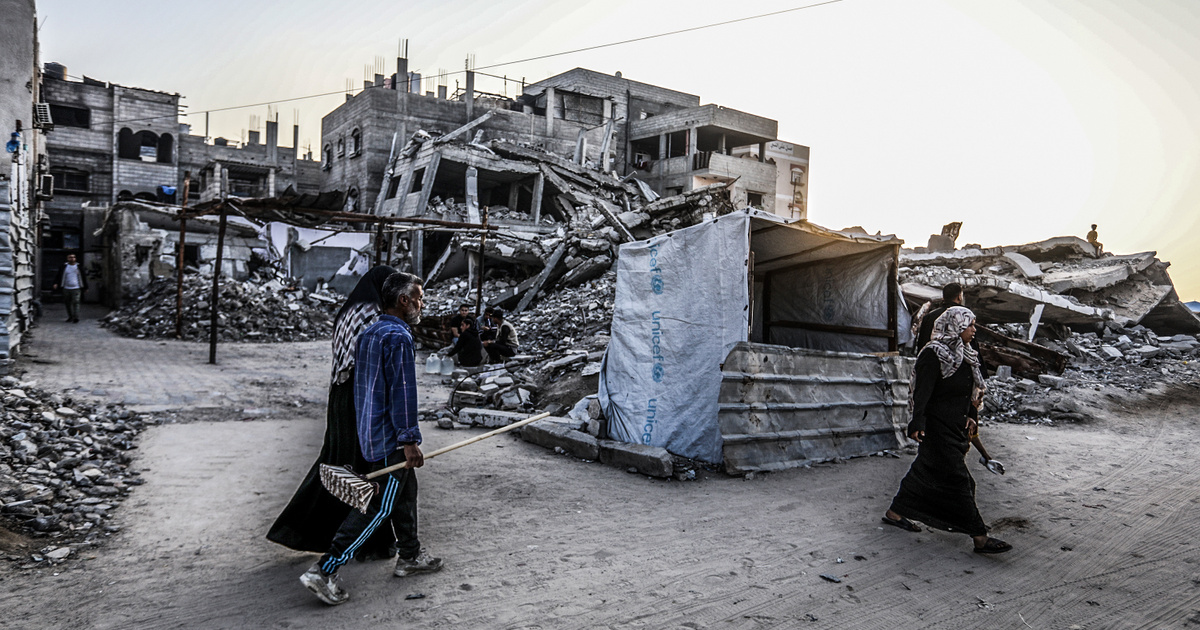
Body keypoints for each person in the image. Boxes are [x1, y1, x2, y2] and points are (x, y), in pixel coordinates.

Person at [300, 271, 443, 605]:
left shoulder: (369, 333)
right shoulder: (398, 337)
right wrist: (409, 440)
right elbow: (402, 393)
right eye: (419, 298)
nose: (422, 304)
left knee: (405, 494)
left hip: (371, 434)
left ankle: (409, 556)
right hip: (390, 441)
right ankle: (324, 570)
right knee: (378, 507)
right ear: (404, 300)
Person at [268, 266, 399, 561]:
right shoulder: (372, 313)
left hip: (340, 396)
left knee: (338, 464)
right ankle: (367, 544)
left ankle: (302, 529)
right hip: (360, 395)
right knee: (367, 468)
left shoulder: (348, 310)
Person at [882, 306, 1012, 555]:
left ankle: (895, 512)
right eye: (969, 325)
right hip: (936, 426)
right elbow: (922, 392)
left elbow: (971, 393)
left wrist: (972, 416)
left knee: (925, 472)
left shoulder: (968, 354)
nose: (974, 330)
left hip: (956, 426)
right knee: (959, 479)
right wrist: (917, 422)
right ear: (955, 326)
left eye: (974, 324)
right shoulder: (933, 354)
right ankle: (979, 536)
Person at [53, 253, 87, 323]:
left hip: (76, 288)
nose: (72, 259)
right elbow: (59, 275)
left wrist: (85, 287)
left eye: (73, 257)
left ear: (75, 258)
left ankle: (76, 317)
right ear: (67, 258)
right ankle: (70, 316)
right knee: (67, 303)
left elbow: (83, 277)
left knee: (76, 302)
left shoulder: (79, 267)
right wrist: (56, 283)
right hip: (66, 288)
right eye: (70, 257)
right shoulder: (64, 267)